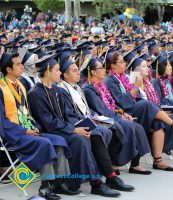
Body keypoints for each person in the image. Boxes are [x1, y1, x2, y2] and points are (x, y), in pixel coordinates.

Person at [27, 54, 123, 198]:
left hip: (64, 128)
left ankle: (110, 176)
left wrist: (85, 124)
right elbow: (49, 122)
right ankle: (96, 183)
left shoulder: (58, 90)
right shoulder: (36, 93)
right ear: (48, 71)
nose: (60, 73)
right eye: (57, 70)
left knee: (95, 133)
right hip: (51, 132)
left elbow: (69, 114)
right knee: (81, 139)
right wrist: (73, 129)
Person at [83, 55, 173, 172]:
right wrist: (135, 89)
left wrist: (138, 87)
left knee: (157, 122)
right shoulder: (110, 80)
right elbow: (122, 103)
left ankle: (157, 160)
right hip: (128, 109)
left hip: (134, 109)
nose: (124, 64)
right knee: (146, 105)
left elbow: (137, 96)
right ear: (113, 65)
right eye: (121, 62)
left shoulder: (126, 77)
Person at [0, 52, 80, 200]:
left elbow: (28, 114)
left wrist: (35, 126)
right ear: (8, 69)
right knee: (45, 143)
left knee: (59, 141)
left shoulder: (20, 86)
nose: (22, 66)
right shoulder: (1, 88)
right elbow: (2, 122)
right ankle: (45, 185)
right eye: (17, 64)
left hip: (27, 131)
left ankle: (59, 182)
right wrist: (24, 130)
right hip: (12, 134)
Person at [59, 58, 151, 176]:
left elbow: (111, 104)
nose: (104, 70)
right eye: (101, 68)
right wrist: (117, 116)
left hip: (101, 115)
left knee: (134, 125)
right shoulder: (88, 87)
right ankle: (111, 166)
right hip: (89, 119)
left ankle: (128, 164)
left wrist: (120, 113)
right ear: (93, 72)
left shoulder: (80, 88)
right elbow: (102, 108)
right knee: (119, 126)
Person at [131, 55, 173, 160]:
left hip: (155, 113)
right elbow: (138, 102)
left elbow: (157, 101)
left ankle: (158, 159)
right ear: (136, 70)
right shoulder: (133, 84)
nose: (148, 68)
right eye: (144, 66)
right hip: (143, 116)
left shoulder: (148, 83)